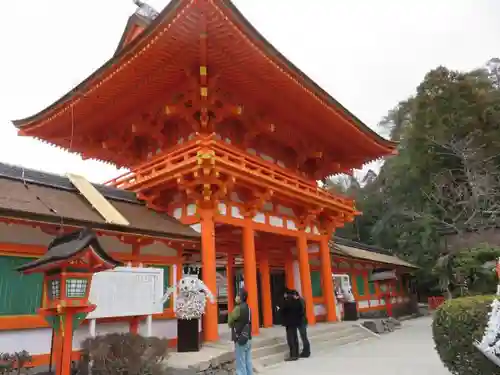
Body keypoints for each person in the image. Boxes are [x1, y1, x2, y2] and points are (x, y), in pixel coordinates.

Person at [228, 289, 253, 375]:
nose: (236, 297)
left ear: (241, 297)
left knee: (240, 364)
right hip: (248, 337)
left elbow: (230, 321)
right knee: (248, 362)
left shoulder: (237, 308)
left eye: (237, 295)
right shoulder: (249, 308)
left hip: (240, 338)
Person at [280, 288, 304, 361]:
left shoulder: (287, 302)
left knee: (290, 339)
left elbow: (282, 310)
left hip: (289, 323)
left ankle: (293, 355)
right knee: (295, 338)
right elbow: (301, 311)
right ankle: (296, 354)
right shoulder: (297, 302)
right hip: (295, 323)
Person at [292, 290, 311, 358]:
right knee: (303, 337)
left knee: (304, 337)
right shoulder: (300, 300)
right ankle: (305, 351)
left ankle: (307, 352)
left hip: (301, 321)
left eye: (293, 296)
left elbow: (301, 311)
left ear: (296, 295)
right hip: (301, 321)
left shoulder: (300, 301)